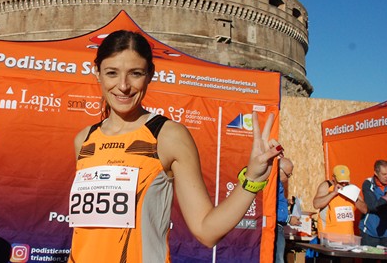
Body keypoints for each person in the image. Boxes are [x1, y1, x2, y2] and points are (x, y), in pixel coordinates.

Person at [68, 30, 283, 262]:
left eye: (135, 73)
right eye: (112, 73)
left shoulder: (168, 136)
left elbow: (206, 230)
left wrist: (252, 180)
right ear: (96, 73)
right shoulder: (84, 140)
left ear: (150, 74)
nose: (123, 86)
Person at [313, 164, 368, 236]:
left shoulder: (351, 188)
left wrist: (353, 197)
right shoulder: (327, 186)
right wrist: (333, 193)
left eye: (345, 181)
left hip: (347, 236)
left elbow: (365, 210)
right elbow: (316, 204)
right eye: (341, 182)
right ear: (333, 178)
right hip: (329, 236)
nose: (344, 184)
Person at [359, 159, 387, 248]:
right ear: (376, 173)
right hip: (369, 233)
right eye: (384, 174)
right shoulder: (368, 184)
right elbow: (372, 206)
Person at [275, 157, 301, 263]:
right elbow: (271, 208)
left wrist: (286, 202)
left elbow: (277, 203)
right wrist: (288, 219)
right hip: (276, 228)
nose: (288, 178)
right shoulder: (274, 184)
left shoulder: (278, 184)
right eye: (288, 175)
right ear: (279, 170)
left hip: (278, 227)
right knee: (278, 259)